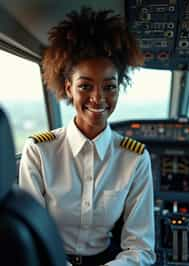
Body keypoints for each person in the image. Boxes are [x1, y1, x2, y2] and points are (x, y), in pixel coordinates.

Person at [19, 7, 156, 266]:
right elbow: (32, 236)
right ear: (69, 88)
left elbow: (141, 248)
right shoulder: (39, 152)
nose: (98, 98)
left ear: (118, 88)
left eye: (109, 86)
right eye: (85, 86)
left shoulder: (135, 159)